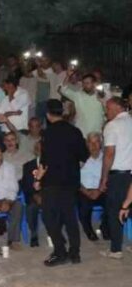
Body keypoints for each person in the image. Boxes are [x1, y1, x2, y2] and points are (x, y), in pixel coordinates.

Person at [37, 98, 89, 266]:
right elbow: (84, 156)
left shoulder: (47, 133)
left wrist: (39, 178)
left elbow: (44, 162)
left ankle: (60, 251)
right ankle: (75, 253)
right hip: (70, 182)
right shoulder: (75, 131)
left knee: (49, 217)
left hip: (52, 182)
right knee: (70, 217)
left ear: (47, 114)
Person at [99, 96, 132, 259]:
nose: (106, 112)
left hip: (119, 176)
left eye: (108, 109)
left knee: (114, 211)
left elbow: (109, 153)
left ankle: (115, 249)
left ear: (117, 108)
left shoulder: (112, 126)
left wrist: (104, 177)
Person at [77, 132, 108, 242]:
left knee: (113, 202)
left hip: (101, 189)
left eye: (97, 142)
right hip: (83, 190)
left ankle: (105, 227)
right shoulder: (80, 158)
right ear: (87, 144)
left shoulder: (106, 158)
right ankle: (89, 230)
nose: (94, 145)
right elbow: (73, 178)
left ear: (101, 143)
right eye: (91, 142)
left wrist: (99, 191)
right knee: (84, 206)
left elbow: (109, 177)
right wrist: (86, 192)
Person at [59, 73, 105, 137]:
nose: (85, 85)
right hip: (81, 133)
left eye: (88, 83)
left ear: (94, 84)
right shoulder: (78, 95)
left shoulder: (101, 96)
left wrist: (102, 97)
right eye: (84, 83)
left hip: (96, 134)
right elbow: (63, 90)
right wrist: (68, 75)